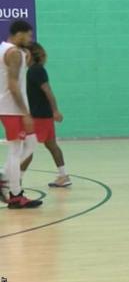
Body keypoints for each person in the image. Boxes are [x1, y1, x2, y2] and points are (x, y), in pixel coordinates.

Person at [0, 21, 41, 208]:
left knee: (31, 143)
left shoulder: (7, 49)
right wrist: (25, 113)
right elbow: (13, 85)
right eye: (29, 36)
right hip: (12, 108)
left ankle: (4, 176)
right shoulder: (14, 53)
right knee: (16, 151)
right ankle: (15, 194)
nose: (30, 40)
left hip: (10, 107)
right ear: (19, 34)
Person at [20, 42, 71, 187]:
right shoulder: (36, 70)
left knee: (27, 149)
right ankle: (63, 176)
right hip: (43, 115)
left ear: (30, 55)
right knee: (51, 145)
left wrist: (55, 110)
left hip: (39, 117)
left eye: (24, 53)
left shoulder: (35, 71)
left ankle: (17, 180)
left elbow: (48, 91)